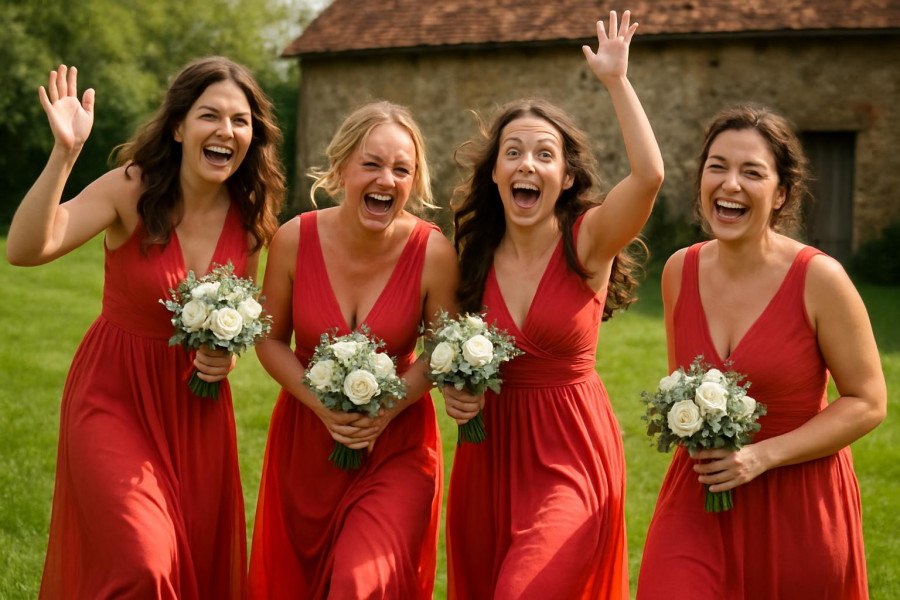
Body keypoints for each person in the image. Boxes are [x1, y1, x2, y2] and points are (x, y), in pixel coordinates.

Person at [6, 57, 284, 598]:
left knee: (191, 559)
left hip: (196, 413)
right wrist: (64, 155)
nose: (226, 130)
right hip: (114, 397)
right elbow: (25, 250)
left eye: (241, 120)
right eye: (210, 115)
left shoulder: (250, 215)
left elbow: (235, 326)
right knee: (144, 561)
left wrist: (226, 357)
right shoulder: (129, 189)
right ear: (179, 126)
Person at [444, 10, 664, 599]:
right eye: (513, 152)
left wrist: (617, 81)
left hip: (569, 456)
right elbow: (442, 351)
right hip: (487, 460)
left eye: (545, 155)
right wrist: (453, 388)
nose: (528, 165)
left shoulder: (588, 242)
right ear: (495, 173)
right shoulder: (470, 257)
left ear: (565, 177)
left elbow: (648, 177)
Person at [636, 105, 886, 599]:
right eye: (717, 166)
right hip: (699, 494)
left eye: (751, 172)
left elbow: (868, 401)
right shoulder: (677, 272)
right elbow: (680, 386)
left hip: (799, 503)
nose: (730, 184)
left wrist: (761, 456)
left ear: (781, 194)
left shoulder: (820, 279)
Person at [247, 101, 459, 599]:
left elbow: (441, 351)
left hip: (399, 446)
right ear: (342, 168)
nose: (386, 179)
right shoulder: (293, 239)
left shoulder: (434, 254)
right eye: (372, 163)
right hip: (306, 443)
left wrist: (388, 406)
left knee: (359, 584)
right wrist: (321, 406)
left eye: (401, 169)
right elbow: (270, 340)